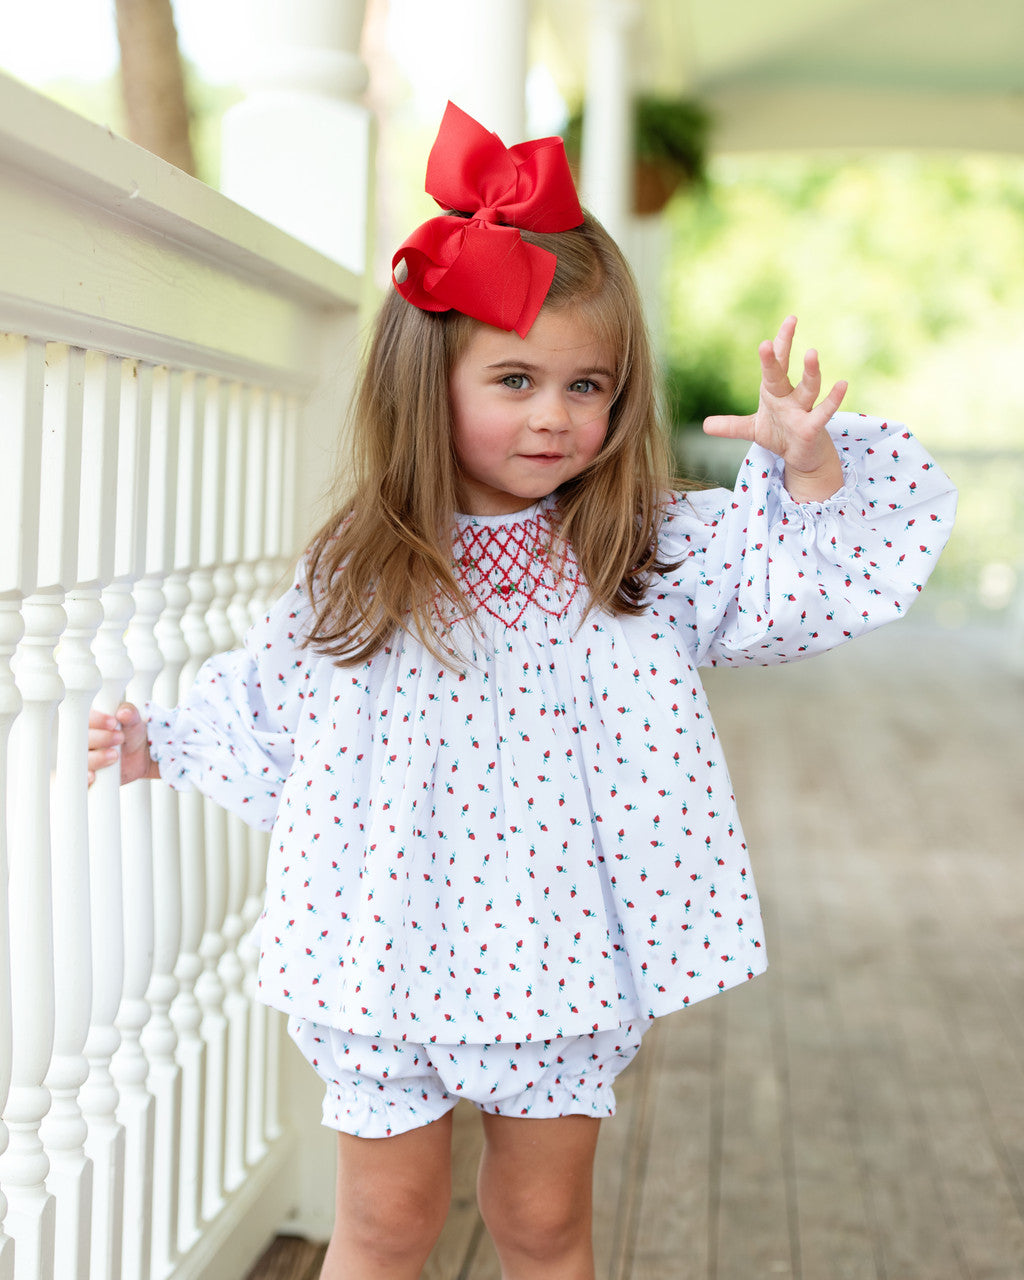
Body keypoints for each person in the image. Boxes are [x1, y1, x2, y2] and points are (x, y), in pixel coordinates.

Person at [88, 103, 956, 1280]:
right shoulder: (362, 558)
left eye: (586, 383)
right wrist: (170, 741)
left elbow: (800, 585)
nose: (555, 414)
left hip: (554, 958)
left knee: (544, 1227)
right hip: (381, 951)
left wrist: (810, 472)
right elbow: (285, 700)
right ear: (426, 380)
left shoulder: (639, 550)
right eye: (514, 377)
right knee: (385, 1225)